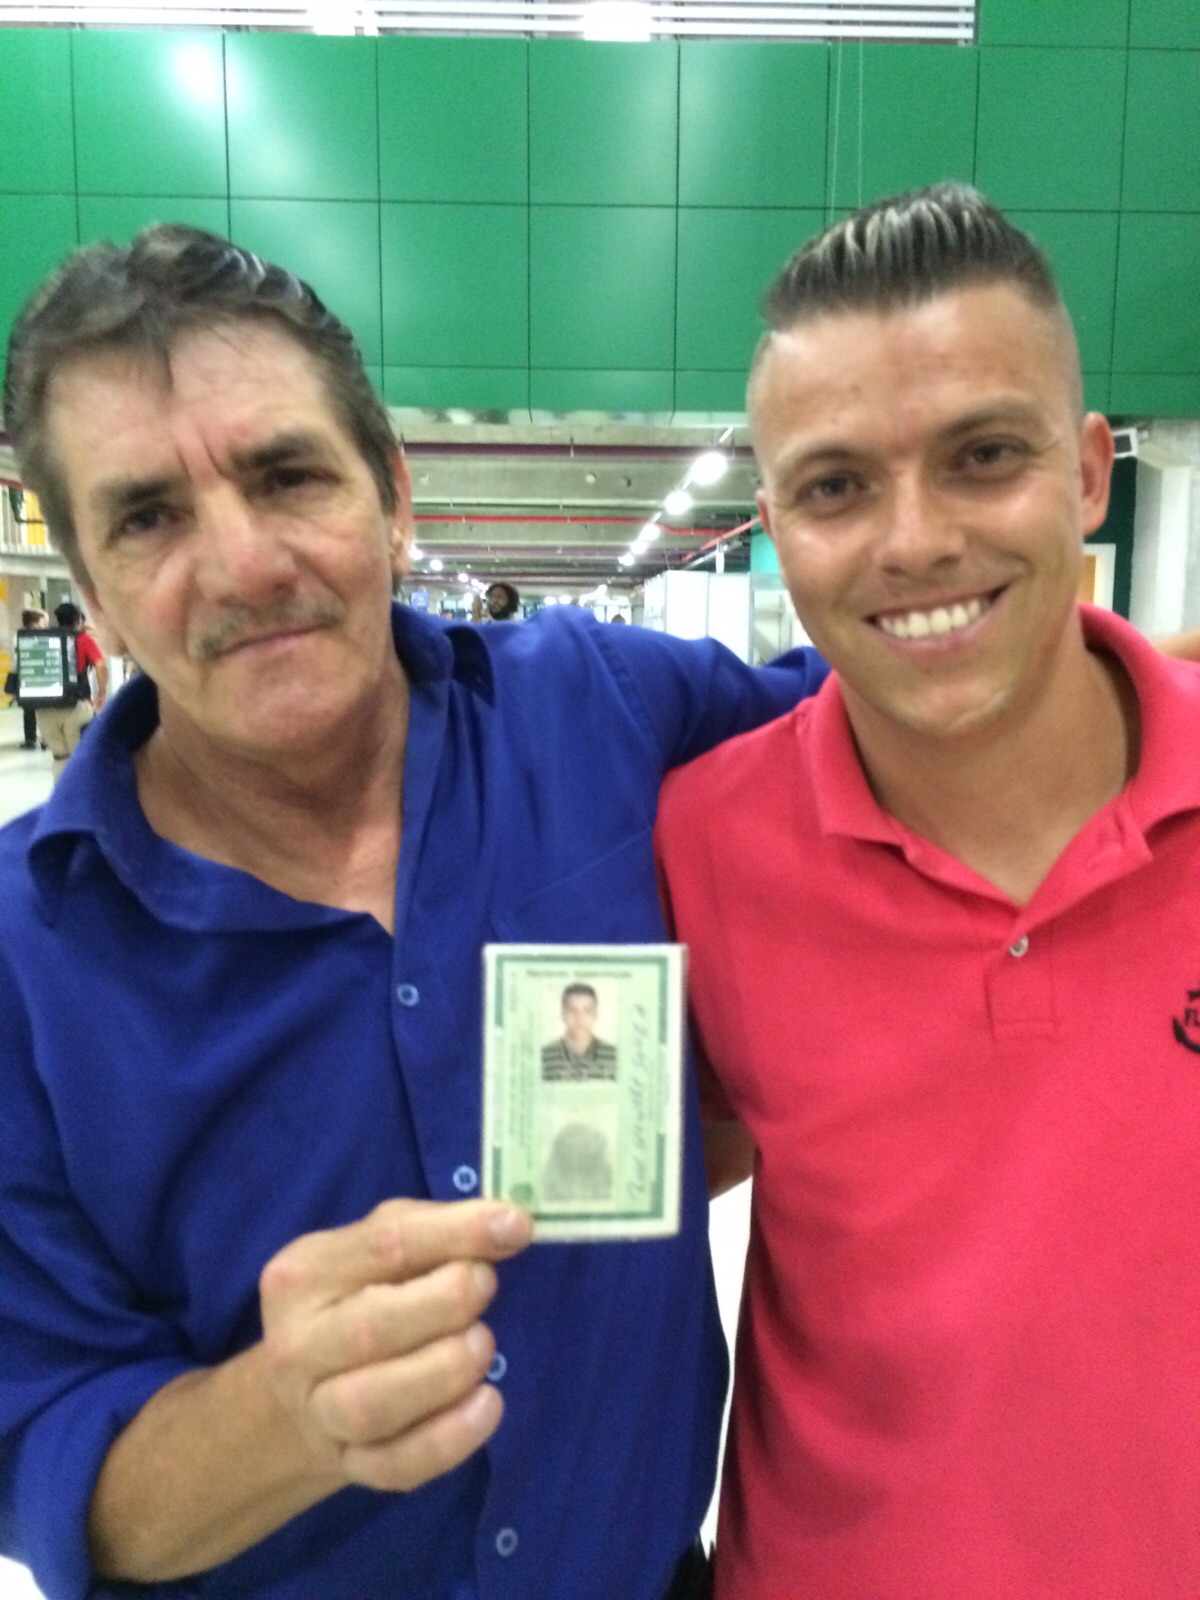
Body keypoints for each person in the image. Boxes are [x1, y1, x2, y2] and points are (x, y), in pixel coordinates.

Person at [0, 224, 830, 1600]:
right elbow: (49, 1454)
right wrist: (279, 1416)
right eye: (149, 516)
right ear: (90, 594)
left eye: (287, 476)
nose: (243, 562)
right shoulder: (25, 961)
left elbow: (915, 726)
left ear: (392, 495)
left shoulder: (601, 711)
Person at [655, 184, 1200, 1599]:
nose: (913, 542)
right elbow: (669, 1165)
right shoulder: (703, 846)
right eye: (837, 486)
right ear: (775, 525)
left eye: (984, 456)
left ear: (1090, 472)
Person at [34, 599, 107, 780]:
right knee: (80, 756)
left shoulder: (45, 638)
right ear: (77, 620)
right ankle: (80, 791)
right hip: (77, 707)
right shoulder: (83, 640)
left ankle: (61, 791)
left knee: (59, 757)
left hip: (45, 710)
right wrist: (102, 693)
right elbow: (100, 666)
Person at [541, 982, 618, 1080]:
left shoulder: (615, 1057)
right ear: (562, 1014)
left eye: (587, 1011)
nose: (579, 1018)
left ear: (595, 1014)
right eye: (572, 1010)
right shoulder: (543, 1058)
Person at [16, 606, 47, 748]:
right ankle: (45, 739)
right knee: (44, 709)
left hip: (27, 677)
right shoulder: (44, 637)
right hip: (39, 676)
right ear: (34, 623)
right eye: (43, 622)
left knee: (29, 710)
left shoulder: (19, 637)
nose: (45, 625)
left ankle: (30, 739)